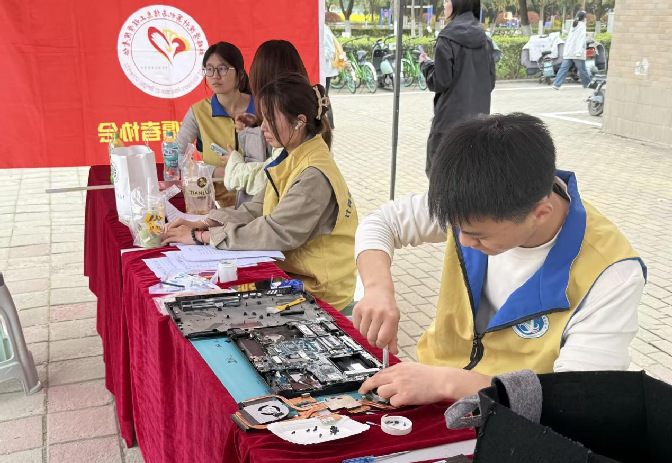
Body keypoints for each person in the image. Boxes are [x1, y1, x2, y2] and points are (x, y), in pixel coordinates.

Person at [353, 113, 646, 407]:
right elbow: (382, 223)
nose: (463, 241)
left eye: (477, 235)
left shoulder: (611, 276)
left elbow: (577, 401)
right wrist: (377, 290)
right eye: (458, 228)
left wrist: (447, 382)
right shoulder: (476, 199)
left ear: (540, 213)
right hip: (432, 389)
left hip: (517, 417)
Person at [163, 74, 358, 311]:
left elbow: (274, 231)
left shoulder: (312, 174)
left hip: (319, 287)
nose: (263, 127)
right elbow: (258, 207)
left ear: (300, 121)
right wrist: (204, 224)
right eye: (263, 118)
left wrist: (201, 237)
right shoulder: (292, 155)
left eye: (270, 119)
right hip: (297, 274)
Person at [223, 40, 310, 207]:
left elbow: (270, 175)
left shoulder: (297, 143)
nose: (215, 77)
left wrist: (234, 164)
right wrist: (256, 124)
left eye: (222, 69)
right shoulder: (307, 109)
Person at [418, 0, 496, 178]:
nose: (444, 5)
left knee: (440, 177)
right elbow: (490, 82)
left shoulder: (447, 38)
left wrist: (426, 65)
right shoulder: (485, 39)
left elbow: (440, 81)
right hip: (479, 124)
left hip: (448, 123)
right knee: (470, 177)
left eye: (447, 0)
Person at [176, 41, 255, 207]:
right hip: (217, 204)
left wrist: (241, 172)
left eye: (222, 68)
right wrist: (217, 172)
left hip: (260, 200)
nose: (215, 76)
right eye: (209, 69)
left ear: (240, 74)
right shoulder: (198, 112)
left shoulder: (261, 107)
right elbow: (176, 158)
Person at [553, 11, 590, 89]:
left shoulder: (574, 25)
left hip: (569, 52)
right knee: (583, 70)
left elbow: (570, 38)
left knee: (563, 69)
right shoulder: (582, 26)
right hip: (577, 52)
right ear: (584, 18)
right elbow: (581, 39)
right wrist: (579, 51)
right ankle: (587, 85)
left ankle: (556, 84)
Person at [322, 24, 340, 129]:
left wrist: (317, 52)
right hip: (323, 71)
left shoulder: (323, 29)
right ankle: (328, 124)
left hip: (326, 71)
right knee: (323, 97)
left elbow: (330, 52)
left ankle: (329, 124)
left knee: (324, 97)